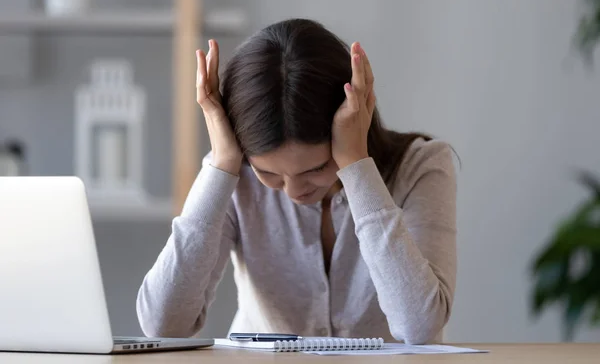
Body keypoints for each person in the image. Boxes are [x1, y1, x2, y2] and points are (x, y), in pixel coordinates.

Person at [136, 19, 457, 345]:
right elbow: (163, 326)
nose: (294, 191)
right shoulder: (232, 175)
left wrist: (357, 168)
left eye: (315, 168)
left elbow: (421, 330)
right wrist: (221, 167)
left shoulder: (422, 166)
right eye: (270, 174)